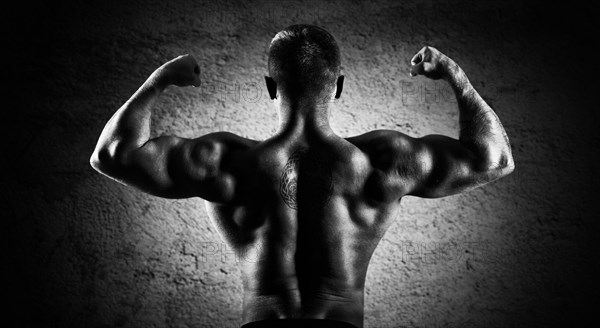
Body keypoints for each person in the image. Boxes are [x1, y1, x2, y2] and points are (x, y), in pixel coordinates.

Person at [90, 24, 514, 328]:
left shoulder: (225, 161)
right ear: (338, 86)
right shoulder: (381, 160)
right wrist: (453, 74)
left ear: (271, 86)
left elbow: (112, 155)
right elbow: (493, 158)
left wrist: (160, 79)